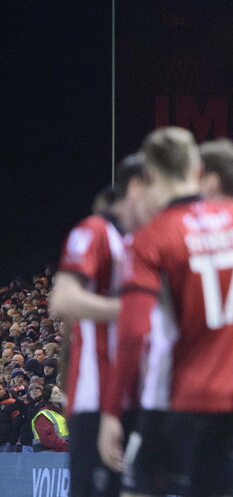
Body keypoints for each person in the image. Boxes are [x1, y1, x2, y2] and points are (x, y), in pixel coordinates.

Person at [97, 127, 233, 496]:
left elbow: (132, 333)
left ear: (147, 176)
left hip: (185, 399)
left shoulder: (150, 240)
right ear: (195, 169)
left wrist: (113, 411)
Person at [48, 155, 147, 496]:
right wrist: (131, 310)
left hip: (132, 396)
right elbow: (62, 299)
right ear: (136, 188)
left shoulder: (136, 243)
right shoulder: (94, 232)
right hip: (94, 397)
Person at [31, 385, 68, 452]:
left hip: (63, 453)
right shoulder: (43, 415)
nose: (60, 394)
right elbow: (48, 438)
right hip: (50, 456)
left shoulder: (63, 413)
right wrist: (68, 447)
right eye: (55, 393)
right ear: (49, 398)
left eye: (60, 391)